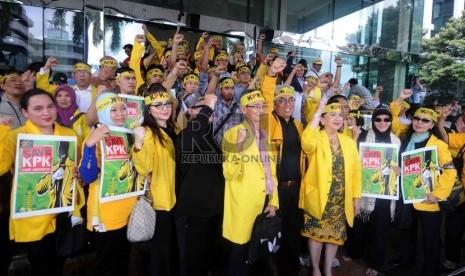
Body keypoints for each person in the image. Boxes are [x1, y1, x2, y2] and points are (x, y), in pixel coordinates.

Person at [0, 88, 78, 275]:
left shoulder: (69, 134)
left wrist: (79, 174)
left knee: (60, 261)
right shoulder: (16, 136)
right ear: (25, 112)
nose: (47, 112)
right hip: (34, 213)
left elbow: (79, 167)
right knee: (40, 264)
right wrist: (2, 131)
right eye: (38, 108)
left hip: (63, 211)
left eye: (50, 106)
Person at [300, 99, 362, 276]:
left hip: (340, 198)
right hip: (319, 196)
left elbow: (356, 172)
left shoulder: (348, 141)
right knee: (315, 236)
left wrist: (356, 198)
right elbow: (306, 143)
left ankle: (327, 268)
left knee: (335, 235)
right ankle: (316, 269)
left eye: (340, 116)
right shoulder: (316, 137)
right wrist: (318, 110)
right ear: (322, 119)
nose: (338, 119)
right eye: (332, 115)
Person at [222, 89, 279, 275]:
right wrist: (238, 147)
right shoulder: (232, 133)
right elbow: (229, 173)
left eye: (262, 105)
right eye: (255, 106)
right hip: (243, 203)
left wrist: (273, 201)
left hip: (263, 200)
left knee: (256, 251)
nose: (260, 110)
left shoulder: (264, 134)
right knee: (240, 252)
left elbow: (272, 172)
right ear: (243, 109)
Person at [393, 106, 456, 276]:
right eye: (416, 118)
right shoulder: (403, 136)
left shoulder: (439, 145)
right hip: (405, 193)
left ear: (432, 124)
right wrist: (397, 168)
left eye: (425, 120)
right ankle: (407, 260)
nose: (419, 122)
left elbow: (450, 171)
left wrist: (437, 194)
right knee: (406, 230)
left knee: (430, 237)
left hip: (428, 197)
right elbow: (392, 118)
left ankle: (430, 268)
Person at [79, 93, 136, 275]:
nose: (120, 114)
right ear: (102, 113)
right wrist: (89, 146)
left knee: (123, 261)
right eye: (113, 110)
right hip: (105, 214)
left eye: (122, 109)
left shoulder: (130, 135)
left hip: (129, 210)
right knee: (105, 265)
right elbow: (87, 177)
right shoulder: (94, 137)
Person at [346, 106, 401, 276]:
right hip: (362, 190)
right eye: (378, 119)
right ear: (373, 120)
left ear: (391, 121)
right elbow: (351, 157)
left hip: (384, 192)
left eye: (386, 119)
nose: (382, 122)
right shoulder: (362, 136)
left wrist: (399, 170)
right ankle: (355, 253)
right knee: (359, 225)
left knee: (380, 230)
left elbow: (402, 164)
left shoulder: (396, 141)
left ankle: (375, 264)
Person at [175, 93, 224, 276]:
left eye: (210, 109)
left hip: (213, 210)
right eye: (201, 108)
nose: (208, 112)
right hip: (194, 211)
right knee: (192, 260)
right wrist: (208, 107)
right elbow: (190, 138)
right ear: (190, 111)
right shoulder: (185, 134)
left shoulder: (213, 136)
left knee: (207, 257)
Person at [132, 90, 178, 276]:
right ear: (149, 110)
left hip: (174, 195)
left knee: (169, 246)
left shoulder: (173, 129)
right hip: (160, 199)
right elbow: (143, 168)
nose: (164, 108)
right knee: (161, 249)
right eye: (158, 106)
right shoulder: (148, 133)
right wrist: (138, 143)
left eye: (167, 104)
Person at [269, 85, 305, 276]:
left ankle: (290, 267)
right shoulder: (269, 121)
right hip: (276, 188)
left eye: (291, 100)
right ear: (274, 104)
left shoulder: (298, 124)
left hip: (296, 186)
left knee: (293, 229)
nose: (287, 104)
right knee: (274, 229)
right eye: (282, 100)